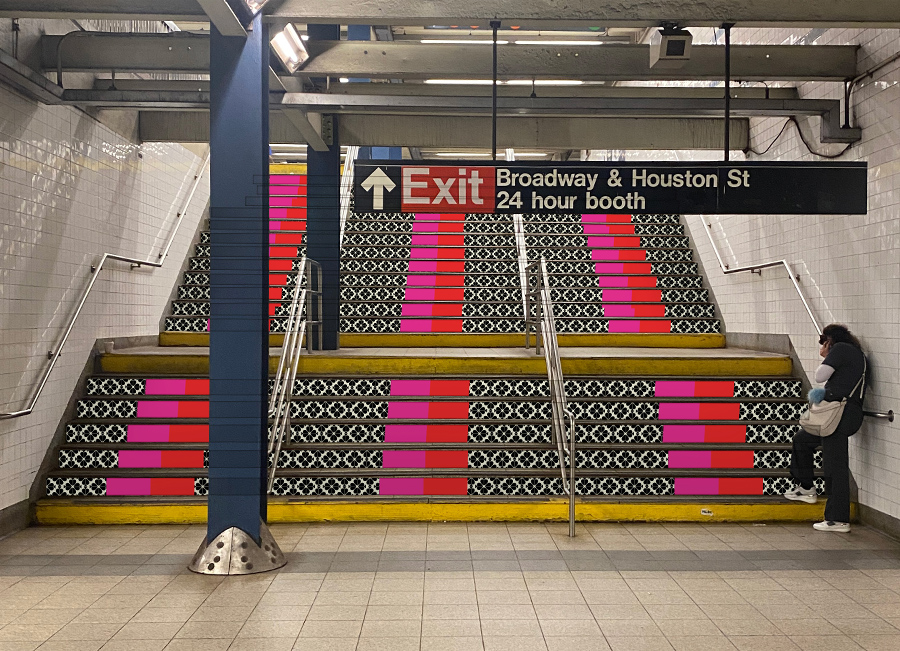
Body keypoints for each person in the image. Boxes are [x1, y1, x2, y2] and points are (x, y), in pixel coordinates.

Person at [784, 324, 866, 532]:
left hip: (840, 415)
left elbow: (820, 375)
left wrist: (828, 354)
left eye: (823, 342)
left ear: (830, 339)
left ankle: (837, 519)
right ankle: (806, 487)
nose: (822, 346)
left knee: (835, 467)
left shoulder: (841, 350)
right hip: (841, 414)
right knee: (803, 439)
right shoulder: (853, 354)